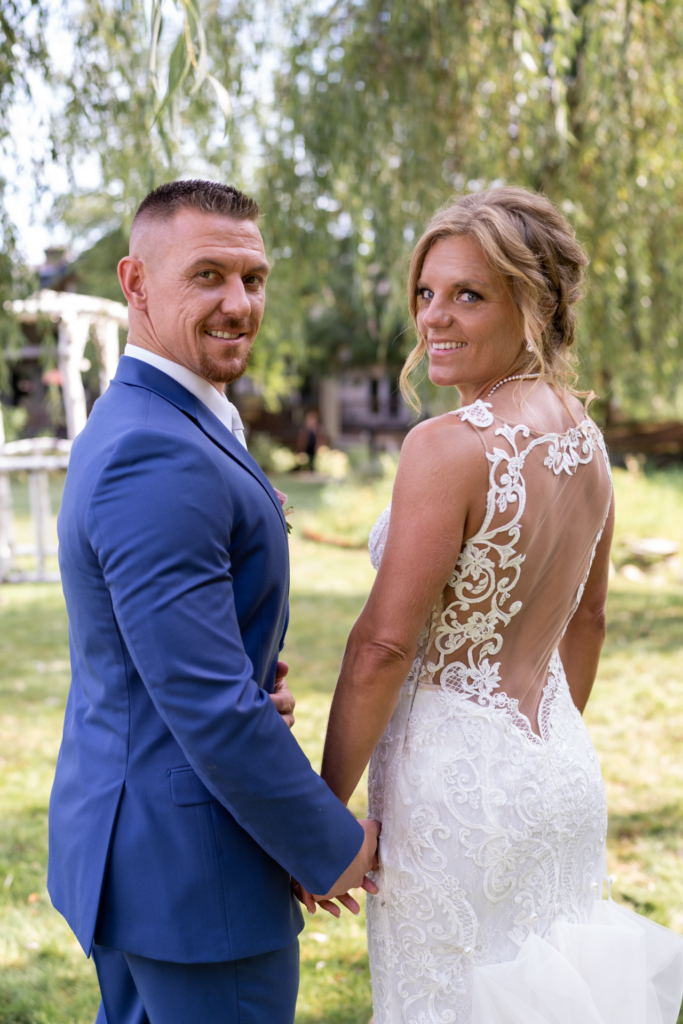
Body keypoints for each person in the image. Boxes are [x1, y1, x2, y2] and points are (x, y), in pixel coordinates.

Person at [316, 187, 683, 1022]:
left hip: (453, 795)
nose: (433, 318)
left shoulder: (445, 447)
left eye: (467, 295)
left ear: (534, 305)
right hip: (556, 767)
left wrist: (321, 814)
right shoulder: (585, 439)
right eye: (425, 292)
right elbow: (587, 621)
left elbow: (381, 647)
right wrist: (530, 759)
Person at [48, 179, 380, 1024]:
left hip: (149, 854)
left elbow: (168, 653)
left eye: (253, 279)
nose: (239, 303)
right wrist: (326, 844)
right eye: (208, 276)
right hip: (195, 874)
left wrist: (252, 673)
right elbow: (205, 702)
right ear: (136, 282)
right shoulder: (155, 450)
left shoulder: (157, 418)